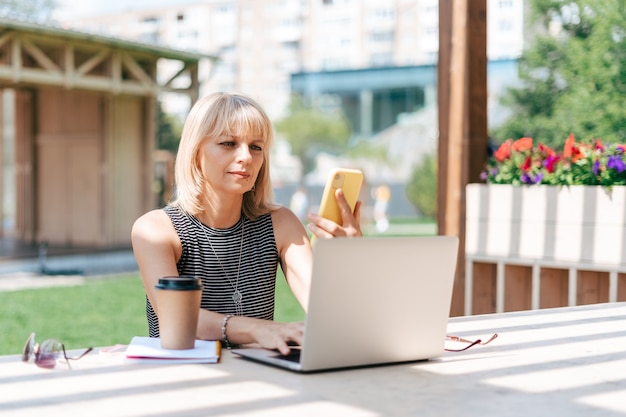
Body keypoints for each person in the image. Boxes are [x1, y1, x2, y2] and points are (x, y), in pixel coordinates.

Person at [131, 92, 362, 355]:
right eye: (229, 143)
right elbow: (177, 319)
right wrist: (257, 329)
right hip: (184, 380)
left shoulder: (281, 224)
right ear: (196, 154)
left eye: (256, 146)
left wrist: (348, 262)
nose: (246, 157)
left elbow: (331, 314)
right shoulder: (155, 230)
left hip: (260, 380)